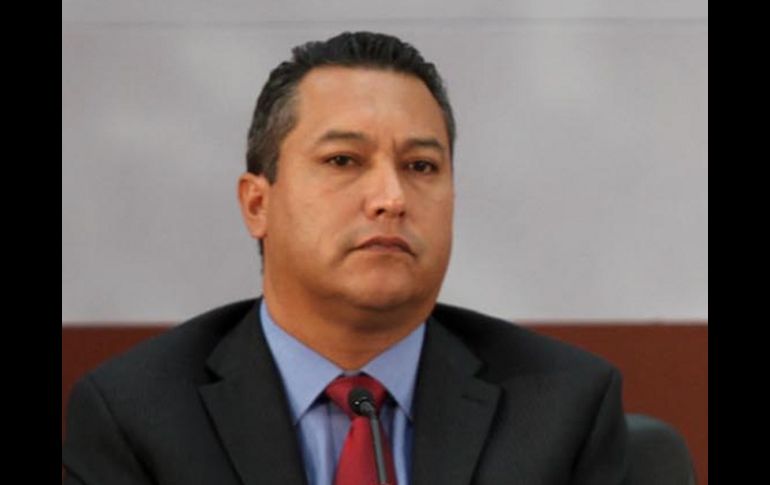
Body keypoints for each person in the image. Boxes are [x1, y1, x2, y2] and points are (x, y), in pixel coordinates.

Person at [63, 31, 628, 485]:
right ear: (258, 204)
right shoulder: (138, 417)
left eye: (421, 167)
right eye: (343, 161)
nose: (391, 198)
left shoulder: (561, 408)